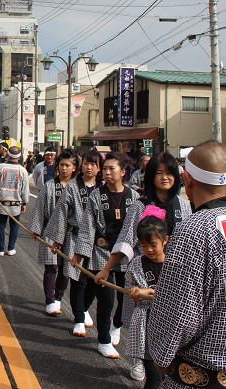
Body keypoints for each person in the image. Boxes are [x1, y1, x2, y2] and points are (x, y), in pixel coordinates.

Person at [148, 141, 226, 388]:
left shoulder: (193, 230)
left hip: (204, 374)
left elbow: (177, 310)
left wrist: (162, 355)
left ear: (187, 179)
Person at [73, 151, 135, 359]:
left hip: (127, 254)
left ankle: (117, 325)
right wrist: (80, 253)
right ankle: (103, 341)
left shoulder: (134, 197)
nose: (107, 172)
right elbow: (87, 227)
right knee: (106, 298)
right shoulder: (96, 196)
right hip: (102, 251)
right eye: (105, 168)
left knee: (126, 297)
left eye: (112, 168)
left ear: (123, 172)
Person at [94, 152, 192, 283]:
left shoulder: (184, 206)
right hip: (144, 273)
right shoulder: (140, 205)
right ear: (151, 176)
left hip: (176, 273)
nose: (164, 177)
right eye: (159, 173)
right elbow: (126, 240)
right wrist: (106, 269)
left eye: (169, 173)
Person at [45, 149, 103, 337]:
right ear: (81, 166)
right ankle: (78, 318)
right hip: (75, 236)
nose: (89, 167)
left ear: (99, 168)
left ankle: (84, 308)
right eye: (86, 163)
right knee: (77, 279)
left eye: (93, 164)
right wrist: (57, 239)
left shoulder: (103, 188)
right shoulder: (72, 186)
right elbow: (61, 212)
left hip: (99, 243)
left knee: (95, 280)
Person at [28, 149, 77, 316]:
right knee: (51, 267)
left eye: (67, 165)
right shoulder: (50, 185)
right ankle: (50, 299)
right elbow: (40, 208)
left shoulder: (78, 187)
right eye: (61, 165)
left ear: (74, 167)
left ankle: (58, 297)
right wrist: (36, 229)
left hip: (70, 233)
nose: (64, 168)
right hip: (50, 230)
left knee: (66, 269)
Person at [124, 211, 169, 388]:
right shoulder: (137, 263)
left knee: (168, 375)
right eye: (143, 245)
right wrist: (133, 292)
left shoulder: (175, 264)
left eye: (153, 244)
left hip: (170, 325)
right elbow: (129, 284)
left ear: (165, 241)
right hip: (146, 323)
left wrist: (148, 292)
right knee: (153, 374)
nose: (149, 249)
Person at [0, 145, 29, 257]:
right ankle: (11, 248)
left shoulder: (1, 167)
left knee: (1, 225)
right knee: (14, 226)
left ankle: (0, 249)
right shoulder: (22, 170)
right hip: (16, 202)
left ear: (8, 154)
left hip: (2, 201)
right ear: (20, 156)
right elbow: (25, 189)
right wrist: (24, 202)